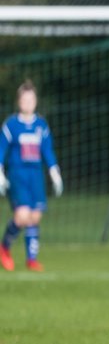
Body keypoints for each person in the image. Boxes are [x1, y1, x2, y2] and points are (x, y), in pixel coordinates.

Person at [1, 81, 62, 273]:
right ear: (19, 101)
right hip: (18, 175)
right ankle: (4, 248)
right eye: (24, 99)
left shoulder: (41, 125)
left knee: (34, 217)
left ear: (36, 101)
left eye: (31, 99)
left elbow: (47, 151)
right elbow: (1, 151)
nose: (28, 103)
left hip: (36, 175)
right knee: (22, 216)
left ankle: (31, 259)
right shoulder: (11, 125)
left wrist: (54, 172)